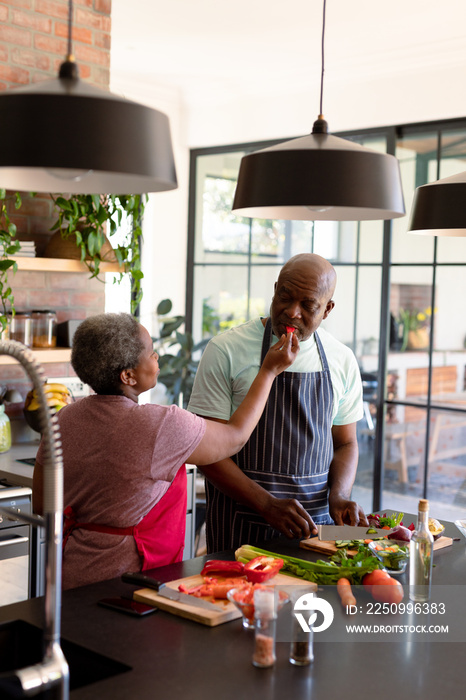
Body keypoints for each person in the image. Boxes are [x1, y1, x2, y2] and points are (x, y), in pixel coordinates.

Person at [32, 312, 298, 589]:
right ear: (128, 376)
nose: (157, 357)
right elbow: (235, 438)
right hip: (130, 580)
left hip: (71, 573)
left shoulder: (63, 418)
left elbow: (42, 504)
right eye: (151, 353)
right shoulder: (159, 425)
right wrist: (269, 370)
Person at [188, 253, 368, 553]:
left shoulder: (342, 359)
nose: (291, 312)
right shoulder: (225, 350)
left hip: (315, 530)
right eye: (284, 296)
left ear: (327, 310)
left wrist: (338, 496)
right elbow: (206, 451)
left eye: (308, 305)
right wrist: (266, 504)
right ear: (275, 289)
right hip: (240, 526)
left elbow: (346, 444)